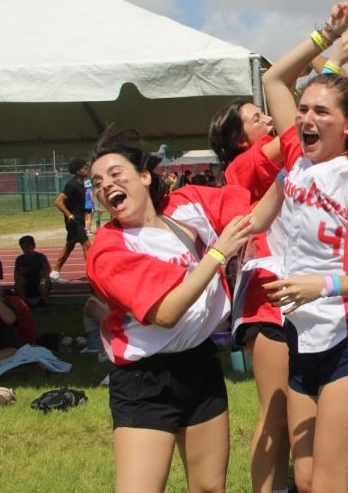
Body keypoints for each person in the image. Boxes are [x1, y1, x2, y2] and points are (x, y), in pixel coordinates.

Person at [252, 0, 348, 493]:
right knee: (310, 479)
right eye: (304, 110)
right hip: (301, 334)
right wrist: (325, 36)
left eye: (322, 112)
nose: (307, 119)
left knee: (332, 483)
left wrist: (324, 285)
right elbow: (274, 79)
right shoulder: (295, 156)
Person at [85, 127, 254, 493]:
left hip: (199, 364)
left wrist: (296, 161)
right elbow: (166, 312)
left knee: (210, 488)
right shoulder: (108, 248)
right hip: (146, 378)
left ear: (144, 177)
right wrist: (217, 254)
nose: (105, 186)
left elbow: (253, 213)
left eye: (116, 175)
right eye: (97, 183)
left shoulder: (182, 211)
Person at [50, 159, 91, 283]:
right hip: (74, 222)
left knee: (69, 246)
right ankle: (92, 274)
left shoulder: (83, 184)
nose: (87, 169)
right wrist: (69, 216)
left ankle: (54, 273)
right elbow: (58, 201)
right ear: (78, 171)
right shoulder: (72, 184)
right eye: (84, 168)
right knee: (87, 245)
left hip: (79, 220)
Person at [14, 235, 52, 306]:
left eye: (28, 247)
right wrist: (20, 272)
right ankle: (24, 303)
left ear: (34, 246)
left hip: (40, 283)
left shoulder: (41, 257)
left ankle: (42, 300)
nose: (26, 250)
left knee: (43, 275)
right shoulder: (19, 259)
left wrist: (42, 283)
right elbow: (15, 276)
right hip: (27, 285)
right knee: (19, 279)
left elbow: (47, 270)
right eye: (23, 248)